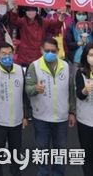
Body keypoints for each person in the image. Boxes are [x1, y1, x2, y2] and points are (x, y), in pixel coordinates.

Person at [25, 38, 76, 176]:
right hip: (41, 117)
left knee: (60, 149)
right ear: (41, 50)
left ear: (58, 51)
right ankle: (43, 173)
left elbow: (71, 90)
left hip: (61, 117)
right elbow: (27, 89)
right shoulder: (34, 66)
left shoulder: (65, 66)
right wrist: (35, 88)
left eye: (53, 51)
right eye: (47, 51)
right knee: (42, 149)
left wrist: (72, 112)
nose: (50, 53)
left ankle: (58, 173)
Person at [0, 43, 28, 176]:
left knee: (15, 153)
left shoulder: (20, 69)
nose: (7, 56)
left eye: (9, 53)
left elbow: (24, 95)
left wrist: (25, 115)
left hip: (16, 119)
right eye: (3, 53)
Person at [75, 43, 93, 176]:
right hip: (86, 121)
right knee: (88, 156)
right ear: (86, 56)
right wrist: (85, 90)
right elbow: (79, 96)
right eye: (91, 55)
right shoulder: (81, 73)